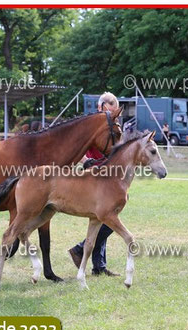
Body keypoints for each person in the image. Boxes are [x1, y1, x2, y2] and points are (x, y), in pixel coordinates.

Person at [68, 92, 120, 277]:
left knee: (105, 217)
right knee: (108, 217)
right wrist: (85, 161)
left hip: (107, 174)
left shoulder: (111, 124)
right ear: (100, 107)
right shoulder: (89, 124)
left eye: (114, 112)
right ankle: (84, 252)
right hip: (93, 175)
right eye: (110, 111)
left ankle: (97, 265)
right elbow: (74, 146)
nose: (112, 115)